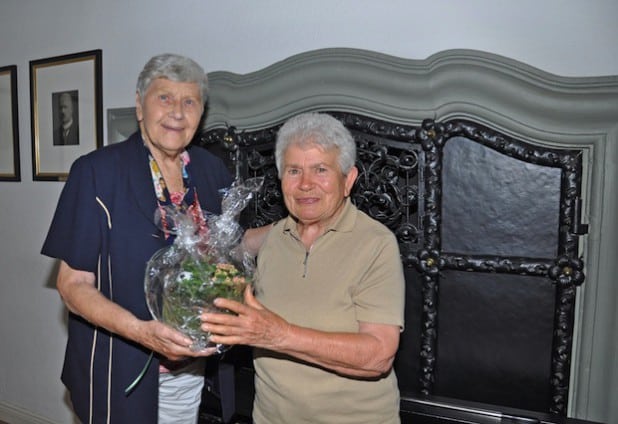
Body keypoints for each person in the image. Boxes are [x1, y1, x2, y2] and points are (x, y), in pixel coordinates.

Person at [41, 53, 269, 424]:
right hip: (122, 366)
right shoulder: (97, 172)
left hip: (191, 367)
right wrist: (143, 333)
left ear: (201, 112)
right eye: (164, 97)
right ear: (139, 104)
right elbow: (73, 286)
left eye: (189, 101)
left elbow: (230, 249)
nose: (177, 112)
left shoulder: (211, 170)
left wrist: (290, 228)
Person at [201, 112, 406, 423]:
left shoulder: (376, 244)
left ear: (348, 179)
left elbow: (378, 355)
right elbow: (226, 249)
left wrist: (277, 334)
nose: (306, 184)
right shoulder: (272, 239)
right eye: (294, 171)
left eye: (321, 169)